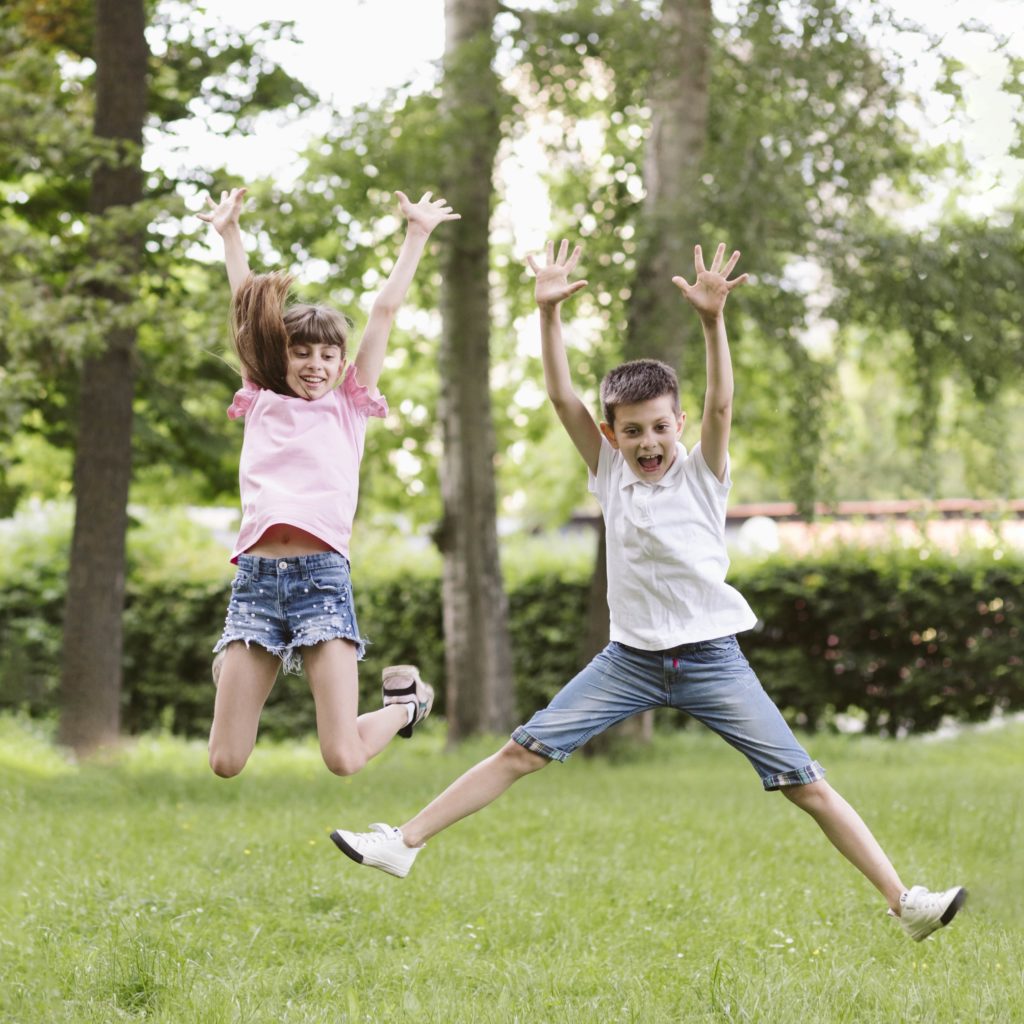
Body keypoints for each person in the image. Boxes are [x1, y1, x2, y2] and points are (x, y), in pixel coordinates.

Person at [330, 238, 967, 942]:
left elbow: (723, 404)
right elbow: (559, 395)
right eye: (632, 432)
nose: (648, 442)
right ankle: (403, 842)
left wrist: (711, 321)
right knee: (522, 751)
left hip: (711, 661)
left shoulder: (702, 474)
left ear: (679, 425)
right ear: (613, 434)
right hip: (627, 662)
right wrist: (547, 314)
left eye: (661, 427)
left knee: (803, 783)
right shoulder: (610, 474)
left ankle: (906, 902)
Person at [197, 186, 458, 778]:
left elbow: (385, 311)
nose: (315, 364)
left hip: (320, 581)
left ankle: (407, 704)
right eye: (301, 352)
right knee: (225, 760)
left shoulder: (348, 407)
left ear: (343, 364)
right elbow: (246, 308)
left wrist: (416, 233)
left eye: (327, 355)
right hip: (256, 583)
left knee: (342, 757)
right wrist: (228, 233)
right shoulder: (260, 397)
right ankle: (236, 665)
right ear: (278, 357)